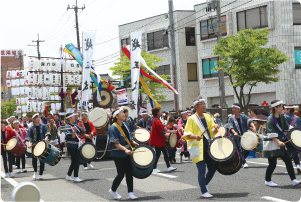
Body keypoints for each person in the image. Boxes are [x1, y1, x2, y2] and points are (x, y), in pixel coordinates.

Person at [183, 99, 219, 198]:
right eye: (201, 104)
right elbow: (186, 134)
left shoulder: (208, 116)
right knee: (201, 170)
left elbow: (212, 132)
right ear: (195, 107)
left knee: (212, 168)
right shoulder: (191, 119)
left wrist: (215, 128)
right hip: (198, 148)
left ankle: (204, 184)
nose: (203, 106)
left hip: (208, 147)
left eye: (204, 104)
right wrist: (195, 136)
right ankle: (204, 191)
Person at [262, 100, 301, 187]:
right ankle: (267, 180)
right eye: (281, 106)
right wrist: (278, 141)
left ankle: (294, 180)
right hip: (272, 144)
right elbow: (270, 133)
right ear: (275, 108)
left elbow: (287, 127)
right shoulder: (270, 119)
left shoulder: (281, 116)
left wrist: (295, 133)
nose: (282, 108)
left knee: (288, 161)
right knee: (272, 164)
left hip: (281, 143)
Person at [108, 108, 139, 200]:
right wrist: (125, 149)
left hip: (127, 152)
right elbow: (115, 143)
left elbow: (127, 137)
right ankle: (113, 190)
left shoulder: (124, 124)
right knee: (121, 174)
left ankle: (130, 193)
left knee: (129, 173)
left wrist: (133, 142)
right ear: (116, 116)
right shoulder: (113, 127)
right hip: (118, 154)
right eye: (122, 113)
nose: (124, 114)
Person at [149, 106, 177, 173]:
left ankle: (168, 167)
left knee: (163, 153)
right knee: (159, 154)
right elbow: (163, 130)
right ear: (157, 113)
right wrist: (172, 131)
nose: (160, 112)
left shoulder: (153, 119)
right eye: (159, 111)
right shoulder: (157, 120)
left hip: (158, 139)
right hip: (159, 140)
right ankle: (155, 168)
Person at [228, 103, 256, 168]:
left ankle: (240, 160)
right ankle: (244, 162)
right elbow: (231, 127)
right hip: (236, 137)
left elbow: (250, 121)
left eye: (235, 108)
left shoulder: (243, 116)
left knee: (247, 149)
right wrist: (234, 132)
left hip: (244, 136)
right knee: (239, 150)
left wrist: (254, 127)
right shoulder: (231, 118)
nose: (234, 110)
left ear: (239, 109)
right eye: (233, 108)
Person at [26, 113, 50, 180]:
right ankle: (35, 172)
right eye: (36, 117)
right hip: (35, 145)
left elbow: (47, 133)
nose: (38, 118)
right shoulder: (31, 128)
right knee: (34, 159)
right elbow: (29, 137)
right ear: (33, 120)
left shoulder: (44, 126)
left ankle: (41, 174)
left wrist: (46, 138)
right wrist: (29, 144)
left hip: (42, 144)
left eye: (39, 117)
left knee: (42, 159)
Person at [65, 113, 85, 182]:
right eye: (73, 116)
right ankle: (76, 177)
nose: (74, 117)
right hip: (70, 146)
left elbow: (84, 131)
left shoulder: (75, 125)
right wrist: (75, 131)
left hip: (76, 145)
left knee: (73, 162)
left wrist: (82, 124)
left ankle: (68, 175)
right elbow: (73, 136)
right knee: (77, 161)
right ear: (69, 118)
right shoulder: (66, 127)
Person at [283, 104, 301, 174]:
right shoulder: (297, 118)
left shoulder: (284, 117)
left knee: (287, 153)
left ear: (289, 109)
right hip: (296, 137)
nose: (284, 110)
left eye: (285, 109)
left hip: (287, 137)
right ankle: (298, 166)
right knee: (295, 151)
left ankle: (289, 169)